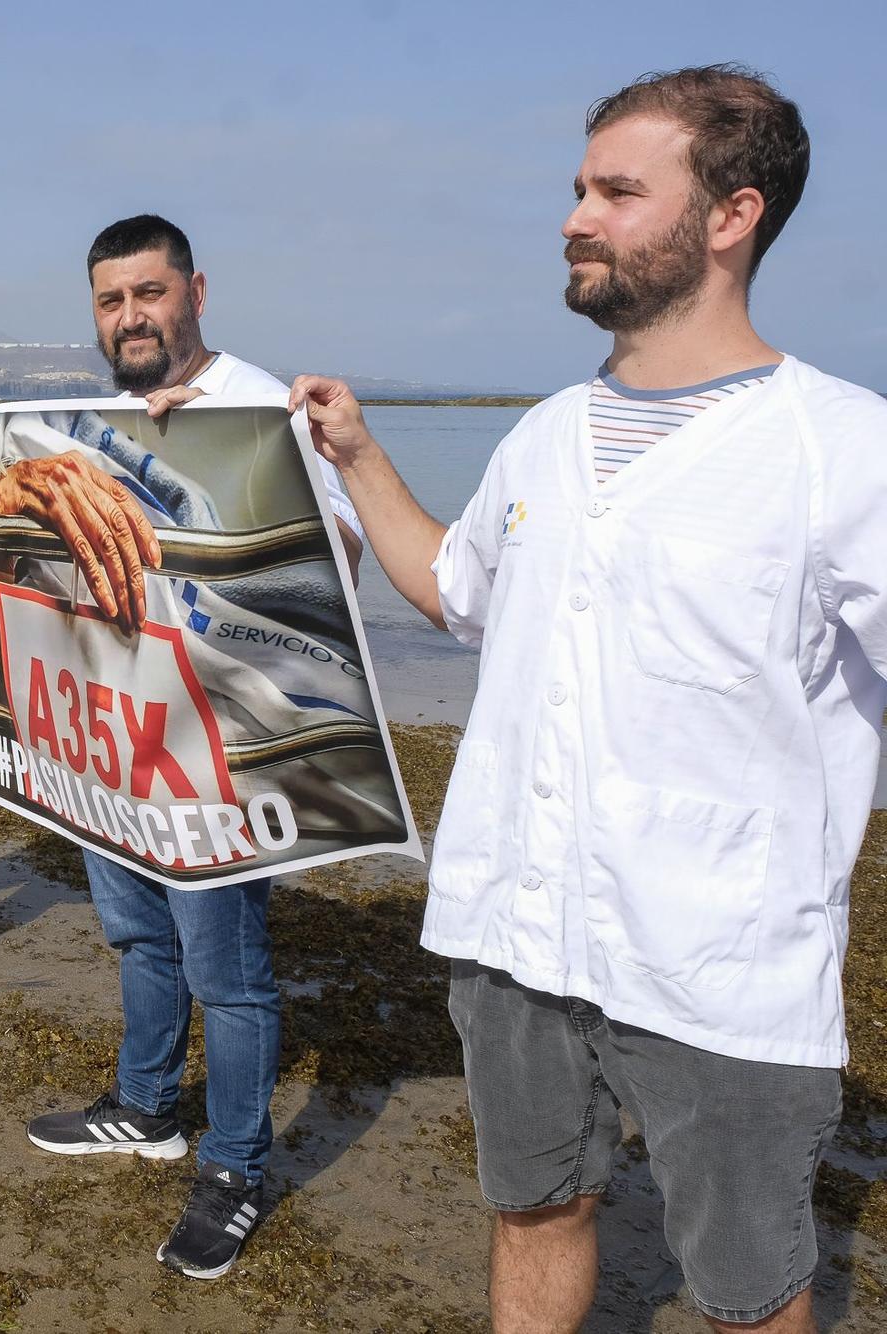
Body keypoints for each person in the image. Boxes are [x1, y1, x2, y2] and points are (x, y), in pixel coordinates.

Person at [290, 67, 859, 1333]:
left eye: (615, 190)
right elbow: (456, 589)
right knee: (533, 1208)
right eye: (574, 188)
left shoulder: (840, 448)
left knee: (748, 1285)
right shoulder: (543, 435)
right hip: (515, 923)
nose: (574, 216)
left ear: (729, 216)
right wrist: (362, 456)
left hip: (721, 955)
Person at [0, 215, 366, 1282]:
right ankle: (142, 1105)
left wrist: (215, 465)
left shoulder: (258, 405)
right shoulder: (88, 421)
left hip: (212, 750)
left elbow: (340, 566)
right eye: (109, 300)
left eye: (148, 293)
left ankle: (231, 1165)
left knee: (229, 972)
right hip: (103, 738)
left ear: (195, 292)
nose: (129, 316)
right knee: (136, 937)